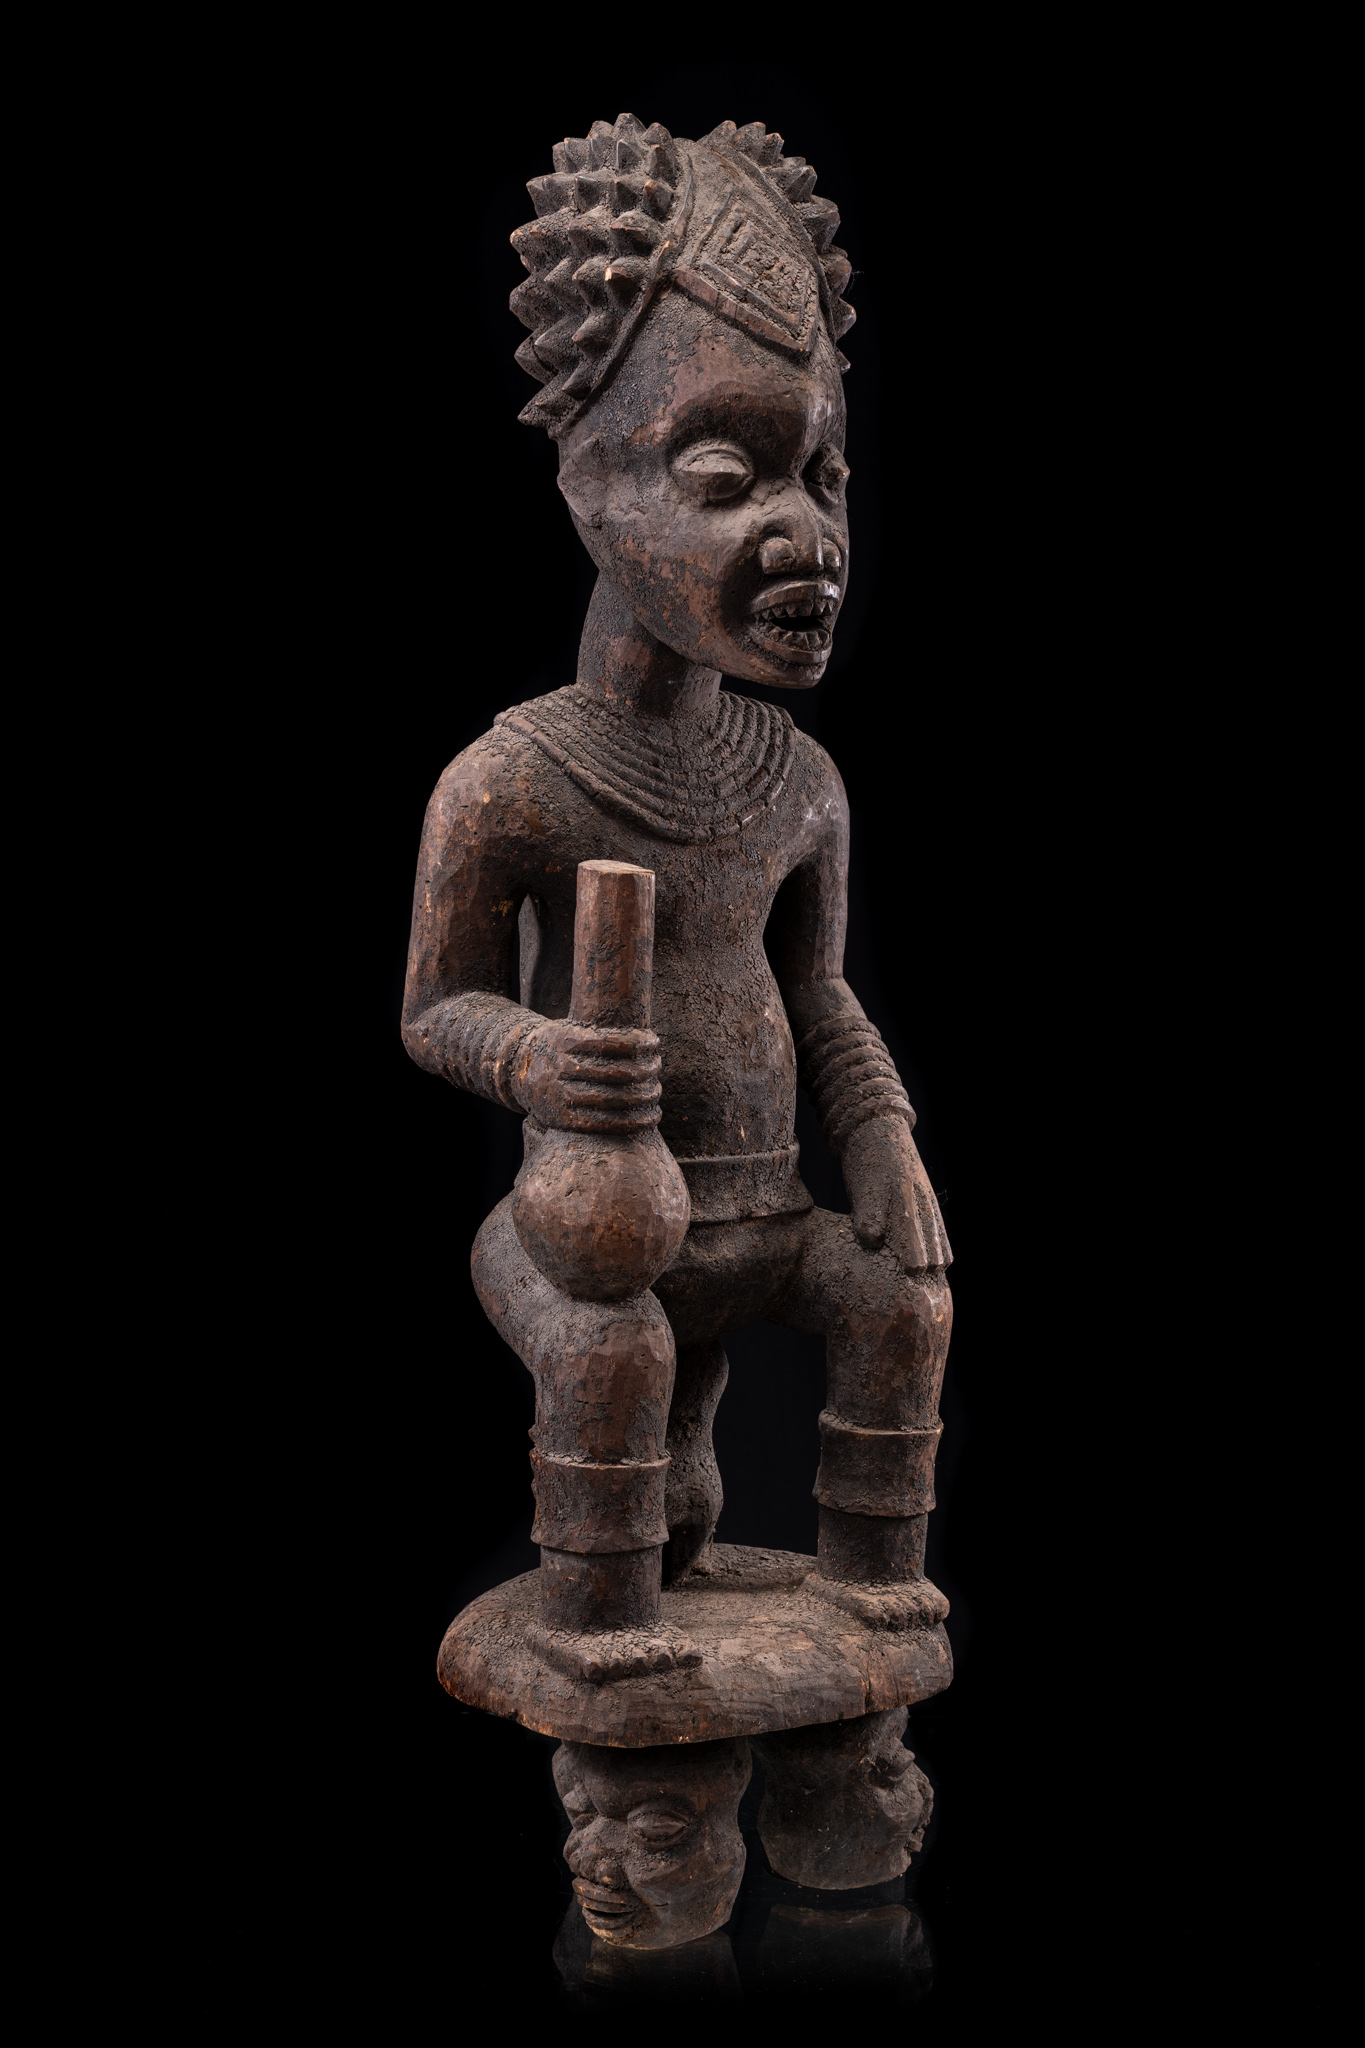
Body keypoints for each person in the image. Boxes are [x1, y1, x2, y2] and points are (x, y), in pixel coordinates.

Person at [403, 115, 952, 1684]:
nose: (807, 536)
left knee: (901, 1305)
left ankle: (873, 1588)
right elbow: (434, 1007)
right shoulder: (510, 783)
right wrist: (535, 1058)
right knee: (610, 1354)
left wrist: (882, 1137)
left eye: (825, 477)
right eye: (726, 477)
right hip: (585, 1235)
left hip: (765, 1217)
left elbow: (819, 992)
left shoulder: (797, 782)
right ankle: (602, 1626)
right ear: (594, 490)